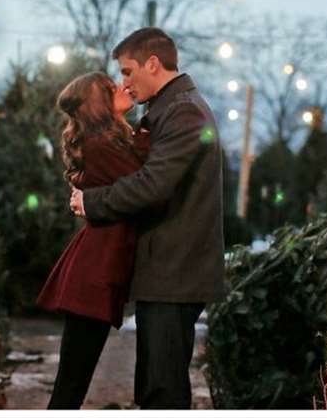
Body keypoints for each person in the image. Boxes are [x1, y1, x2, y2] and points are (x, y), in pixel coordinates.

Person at [69, 27, 225, 409]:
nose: (124, 81)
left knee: (162, 390)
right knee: (154, 386)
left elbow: (153, 184)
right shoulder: (167, 110)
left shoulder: (183, 111)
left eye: (127, 71)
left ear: (153, 64)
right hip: (166, 271)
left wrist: (92, 202)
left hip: (176, 272)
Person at [36, 71, 150, 409]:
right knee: (71, 385)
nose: (121, 86)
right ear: (98, 104)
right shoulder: (101, 145)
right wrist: (147, 131)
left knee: (72, 382)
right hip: (94, 274)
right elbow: (144, 182)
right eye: (111, 88)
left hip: (97, 268)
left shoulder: (108, 140)